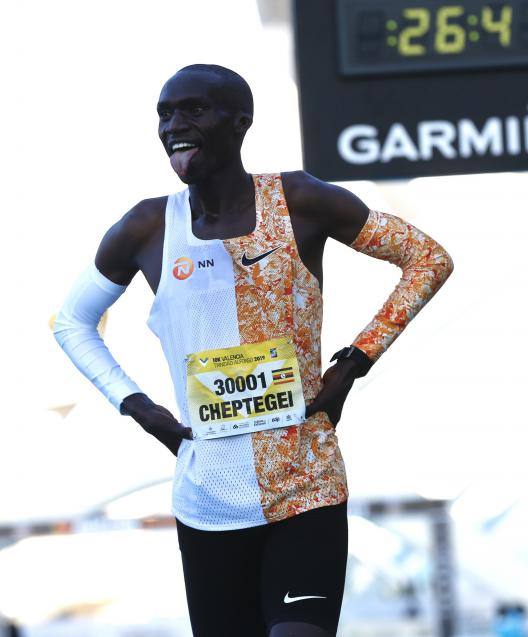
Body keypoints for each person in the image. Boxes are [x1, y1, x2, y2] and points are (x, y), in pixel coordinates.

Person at [52, 64, 454, 637]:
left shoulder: (300, 199)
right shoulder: (147, 228)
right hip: (207, 498)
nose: (173, 125)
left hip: (305, 482)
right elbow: (72, 322)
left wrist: (354, 363)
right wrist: (138, 408)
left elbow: (428, 260)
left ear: (241, 122)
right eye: (164, 114)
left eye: (193, 109)